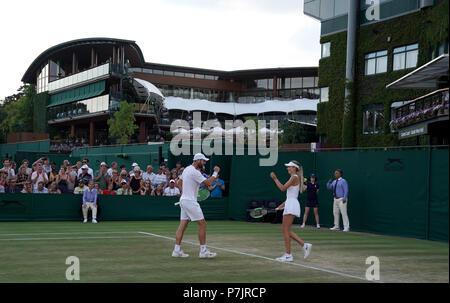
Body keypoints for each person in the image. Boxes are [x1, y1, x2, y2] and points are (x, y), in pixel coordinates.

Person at [172, 153, 220, 259]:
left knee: (183, 225)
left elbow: (179, 183)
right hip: (189, 201)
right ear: (197, 160)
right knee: (203, 224)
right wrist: (215, 172)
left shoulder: (187, 169)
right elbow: (208, 183)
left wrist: (185, 193)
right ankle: (203, 251)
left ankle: (176, 250)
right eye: (203, 161)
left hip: (184, 200)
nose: (204, 163)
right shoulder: (194, 171)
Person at [270, 160, 312, 262]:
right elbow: (291, 195)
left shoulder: (294, 177)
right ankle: (304, 245)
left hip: (292, 204)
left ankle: (289, 255)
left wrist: (275, 179)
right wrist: (282, 205)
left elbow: (283, 188)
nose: (288, 168)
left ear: (294, 168)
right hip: (290, 203)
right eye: (288, 167)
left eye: (289, 167)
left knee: (285, 230)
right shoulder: (294, 177)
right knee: (286, 230)